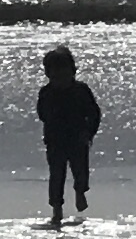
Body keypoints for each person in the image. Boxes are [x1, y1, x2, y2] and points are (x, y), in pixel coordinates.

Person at [34, 44, 101, 224]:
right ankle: (57, 208)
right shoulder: (47, 92)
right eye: (54, 75)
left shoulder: (81, 90)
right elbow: (42, 114)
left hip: (78, 138)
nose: (59, 80)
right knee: (57, 174)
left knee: (80, 171)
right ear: (48, 74)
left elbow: (94, 113)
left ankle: (80, 192)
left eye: (63, 74)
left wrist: (89, 132)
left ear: (73, 71)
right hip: (55, 140)